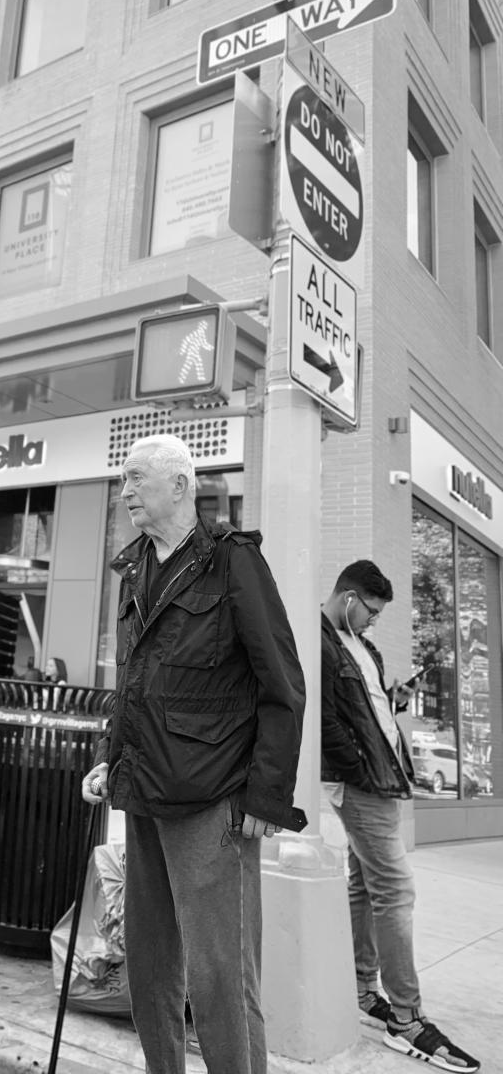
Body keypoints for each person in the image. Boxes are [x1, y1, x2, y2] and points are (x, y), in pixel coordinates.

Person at [82, 434, 306, 1074]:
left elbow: (283, 685)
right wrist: (110, 755)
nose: (123, 492)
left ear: (179, 485)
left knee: (221, 981)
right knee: (149, 971)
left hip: (213, 802)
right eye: (123, 482)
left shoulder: (232, 561)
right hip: (142, 791)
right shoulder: (132, 569)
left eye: (133, 479)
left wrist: (266, 796)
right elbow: (133, 681)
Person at [321, 561, 480, 1072]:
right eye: (370, 610)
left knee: (365, 885)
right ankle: (406, 1022)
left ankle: (365, 991)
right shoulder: (317, 642)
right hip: (363, 782)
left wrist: (395, 701)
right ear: (348, 598)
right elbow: (323, 721)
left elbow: (365, 713)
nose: (373, 622)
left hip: (382, 775)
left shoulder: (363, 648)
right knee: (395, 888)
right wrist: (357, 768)